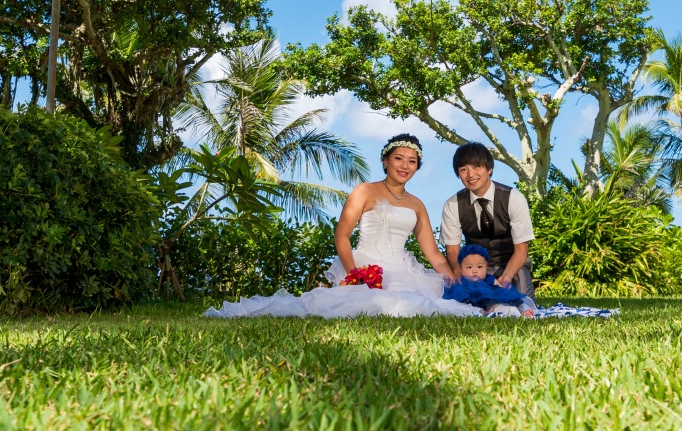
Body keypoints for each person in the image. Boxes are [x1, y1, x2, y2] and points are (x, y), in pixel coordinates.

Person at [205, 133, 481, 319]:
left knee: (426, 303)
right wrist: (355, 275)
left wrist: (455, 279)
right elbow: (342, 236)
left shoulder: (417, 204)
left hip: (403, 268)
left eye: (412, 161)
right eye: (399, 158)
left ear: (417, 167)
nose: (405, 165)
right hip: (365, 264)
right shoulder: (364, 191)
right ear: (385, 160)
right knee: (371, 303)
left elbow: (433, 254)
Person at [440, 142, 536, 298]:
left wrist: (507, 277)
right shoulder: (453, 204)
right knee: (473, 304)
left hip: (513, 266)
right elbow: (452, 251)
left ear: (489, 168)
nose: (470, 175)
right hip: (475, 268)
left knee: (524, 304)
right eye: (463, 170)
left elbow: (521, 250)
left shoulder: (514, 198)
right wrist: (459, 273)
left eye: (476, 167)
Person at [443, 244, 536, 318]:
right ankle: (505, 311)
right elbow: (459, 299)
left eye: (479, 267)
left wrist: (502, 290)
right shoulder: (462, 282)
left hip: (491, 300)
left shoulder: (489, 279)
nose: (474, 271)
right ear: (461, 269)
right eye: (469, 267)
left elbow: (500, 289)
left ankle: (521, 309)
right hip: (473, 304)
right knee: (490, 307)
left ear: (486, 268)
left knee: (511, 299)